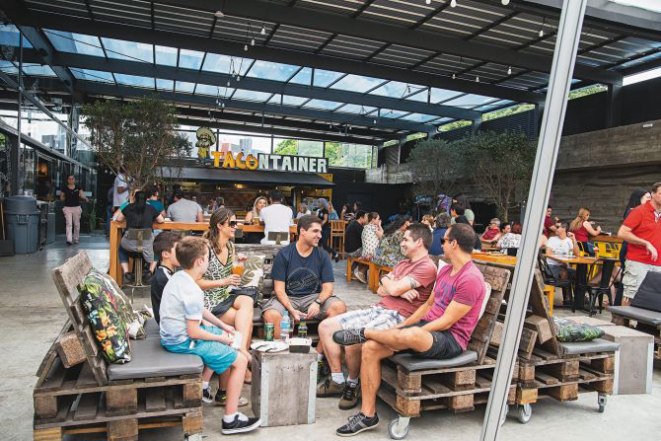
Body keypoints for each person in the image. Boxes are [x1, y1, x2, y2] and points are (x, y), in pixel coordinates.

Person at [332, 224, 486, 436]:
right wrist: (404, 326)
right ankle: (368, 415)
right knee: (370, 348)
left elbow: (447, 322)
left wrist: (412, 333)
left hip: (450, 339)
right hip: (426, 330)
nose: (440, 244)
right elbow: (428, 306)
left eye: (444, 240)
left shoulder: (470, 278)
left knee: (408, 334)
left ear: (454, 244)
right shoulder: (446, 271)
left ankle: (364, 331)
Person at [317, 223, 438, 407]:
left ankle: (352, 383)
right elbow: (379, 289)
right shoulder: (403, 263)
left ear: (419, 242)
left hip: (398, 316)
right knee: (325, 326)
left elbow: (391, 287)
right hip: (378, 309)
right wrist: (393, 286)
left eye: (405, 239)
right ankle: (337, 380)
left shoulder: (427, 267)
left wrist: (394, 285)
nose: (402, 244)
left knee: (353, 338)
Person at [158, 236, 261, 434]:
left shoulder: (181, 277)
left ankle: (205, 385)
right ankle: (230, 420)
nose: (208, 261)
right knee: (239, 360)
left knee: (228, 336)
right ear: (199, 262)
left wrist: (223, 326)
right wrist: (223, 338)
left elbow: (201, 311)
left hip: (174, 336)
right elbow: (194, 331)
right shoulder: (192, 290)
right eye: (207, 258)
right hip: (182, 342)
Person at [262, 215, 347, 341]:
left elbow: (328, 288)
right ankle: (283, 351)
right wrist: (291, 309)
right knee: (271, 315)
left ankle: (319, 354)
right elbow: (279, 290)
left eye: (320, 232)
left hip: (314, 298)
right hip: (288, 298)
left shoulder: (322, 256)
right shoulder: (284, 254)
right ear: (302, 231)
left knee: (339, 307)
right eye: (315, 231)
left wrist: (318, 302)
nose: (320, 235)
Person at [198, 208, 255, 385]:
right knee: (245, 321)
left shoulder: (230, 245)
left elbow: (230, 273)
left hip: (224, 294)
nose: (235, 226)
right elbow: (195, 281)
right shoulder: (204, 248)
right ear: (220, 225)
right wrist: (223, 281)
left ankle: (241, 351)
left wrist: (240, 264)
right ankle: (242, 363)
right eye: (232, 223)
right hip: (207, 300)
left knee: (247, 300)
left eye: (235, 223)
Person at [618, 182, 661, 306]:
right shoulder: (639, 211)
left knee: (653, 300)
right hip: (638, 262)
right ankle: (623, 324)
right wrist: (645, 243)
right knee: (631, 297)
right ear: (652, 194)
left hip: (658, 264)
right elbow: (622, 233)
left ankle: (641, 326)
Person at [115, 191, 164, 282]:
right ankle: (150, 271)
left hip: (130, 247)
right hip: (147, 246)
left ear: (134, 198)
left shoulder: (128, 207)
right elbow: (161, 220)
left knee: (121, 249)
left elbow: (118, 219)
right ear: (146, 199)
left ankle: (126, 272)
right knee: (156, 248)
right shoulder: (150, 208)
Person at [614, 189, 652, 305]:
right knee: (627, 284)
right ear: (638, 199)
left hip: (632, 250)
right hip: (629, 250)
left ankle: (620, 312)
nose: (649, 200)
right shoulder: (633, 211)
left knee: (627, 283)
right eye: (647, 198)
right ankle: (618, 312)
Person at [151, 232, 181, 325]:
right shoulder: (164, 277)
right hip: (171, 325)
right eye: (178, 250)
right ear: (166, 254)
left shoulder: (166, 273)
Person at [60, 174, 89, 246]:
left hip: (76, 207)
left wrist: (85, 198)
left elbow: (81, 195)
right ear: (67, 180)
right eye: (69, 179)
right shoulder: (64, 188)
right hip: (67, 208)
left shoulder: (78, 187)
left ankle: (76, 238)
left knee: (76, 224)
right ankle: (69, 239)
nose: (71, 180)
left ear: (74, 180)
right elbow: (61, 197)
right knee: (69, 224)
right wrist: (62, 198)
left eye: (72, 179)